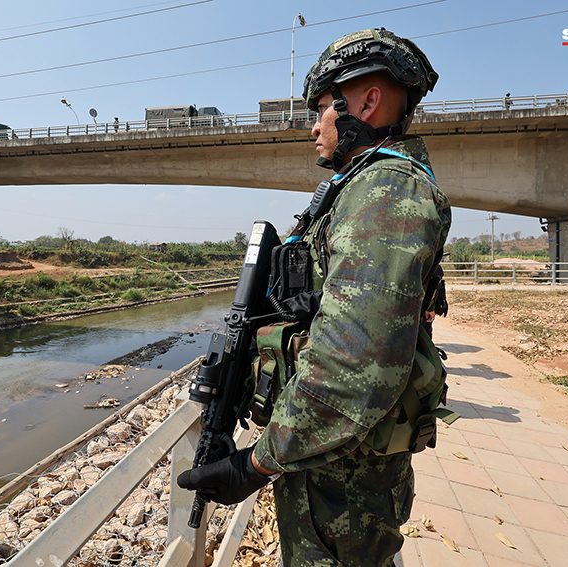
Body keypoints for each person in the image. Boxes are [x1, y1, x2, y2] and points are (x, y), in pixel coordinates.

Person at [178, 28, 450, 567]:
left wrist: (257, 464)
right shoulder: (358, 187)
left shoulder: (385, 191)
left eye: (322, 108)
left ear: (366, 101)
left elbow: (355, 361)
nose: (312, 126)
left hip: (344, 481)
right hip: (331, 463)